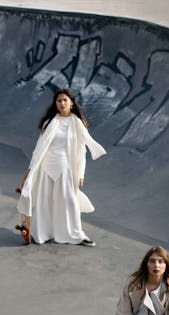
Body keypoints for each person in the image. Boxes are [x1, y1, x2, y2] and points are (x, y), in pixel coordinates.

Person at [16, 89, 106, 245]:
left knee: (69, 201)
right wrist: (29, 172)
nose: (62, 103)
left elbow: (81, 151)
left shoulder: (78, 123)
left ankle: (76, 235)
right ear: (55, 104)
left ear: (71, 103)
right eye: (59, 101)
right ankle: (42, 234)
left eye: (65, 100)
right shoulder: (49, 123)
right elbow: (39, 148)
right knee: (44, 201)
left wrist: (81, 174)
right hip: (46, 166)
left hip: (65, 166)